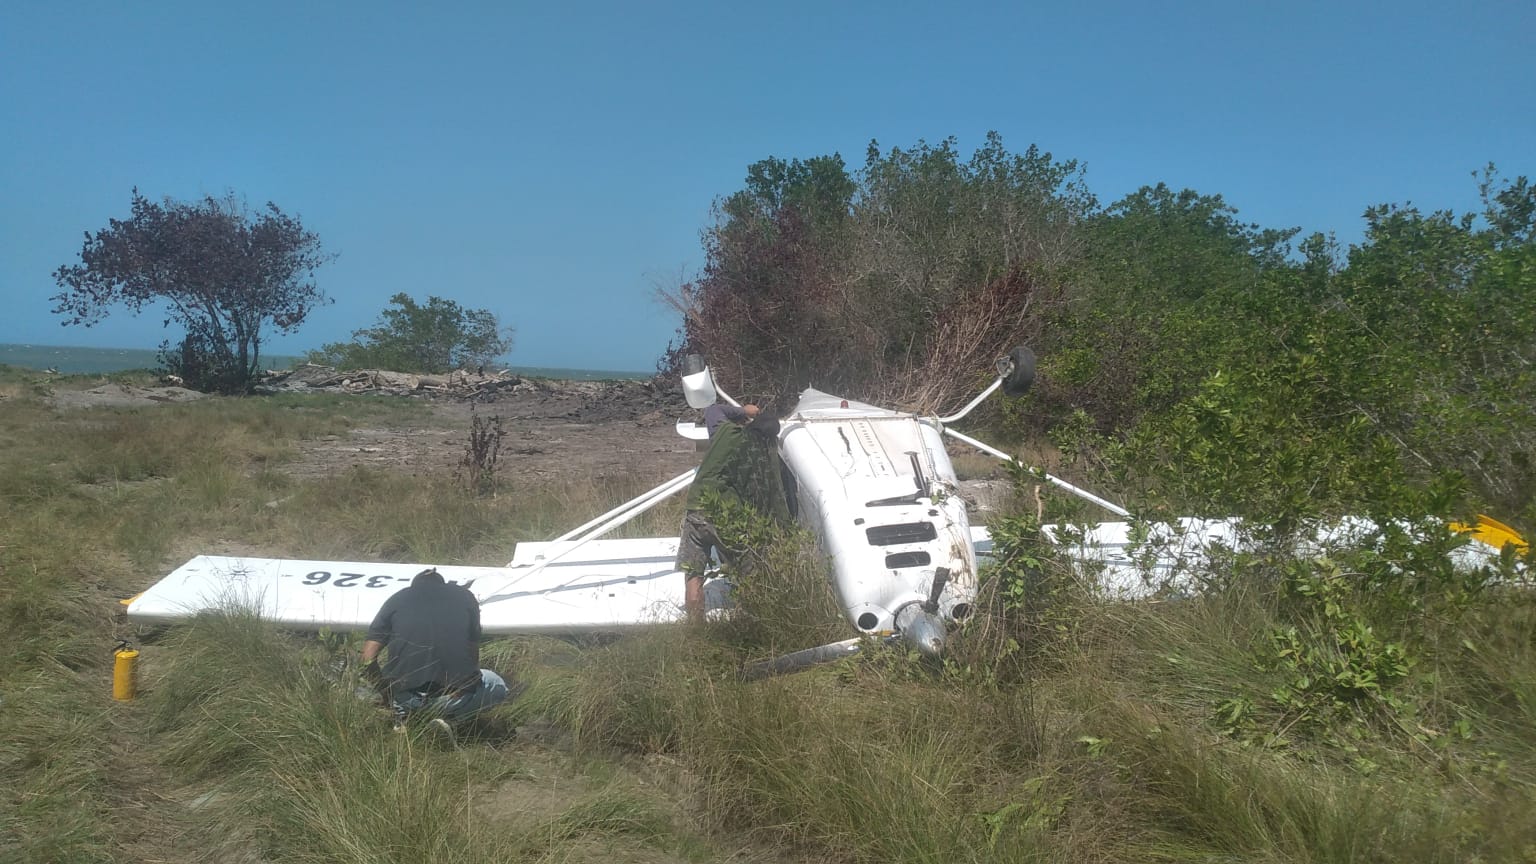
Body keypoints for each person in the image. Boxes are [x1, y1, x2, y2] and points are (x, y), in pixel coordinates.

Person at [675, 411, 791, 622]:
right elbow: (771, 497)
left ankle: (695, 631)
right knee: (750, 575)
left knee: (693, 573)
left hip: (696, 509)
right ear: (770, 438)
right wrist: (784, 531)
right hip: (725, 517)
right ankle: (751, 626)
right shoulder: (763, 453)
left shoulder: (724, 430)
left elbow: (713, 409)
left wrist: (743, 411)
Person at [361, 568, 510, 729]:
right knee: (496, 683)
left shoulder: (395, 599)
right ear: (441, 583)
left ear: (414, 586)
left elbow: (367, 658)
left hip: (405, 697)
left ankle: (408, 717)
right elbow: (472, 654)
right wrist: (467, 683)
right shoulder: (465, 596)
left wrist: (386, 692)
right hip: (452, 698)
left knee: (366, 690)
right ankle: (452, 720)